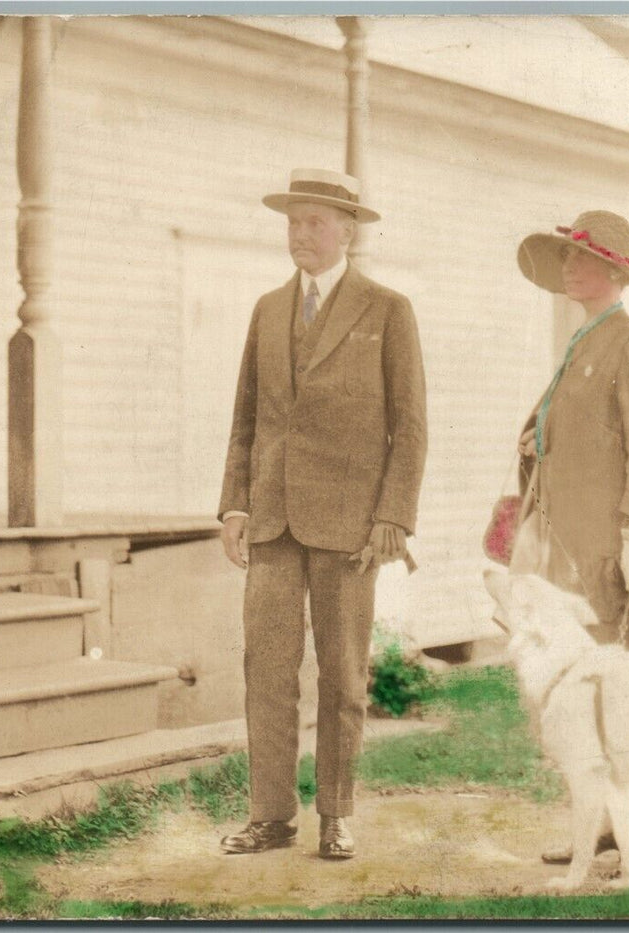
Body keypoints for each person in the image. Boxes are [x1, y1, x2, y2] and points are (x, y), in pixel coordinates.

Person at [217, 168, 427, 860]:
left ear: (348, 230)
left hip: (350, 527)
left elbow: (410, 426)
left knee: (342, 675)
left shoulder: (386, 309)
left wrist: (392, 517)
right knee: (267, 670)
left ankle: (336, 814)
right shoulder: (267, 308)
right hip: (272, 521)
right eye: (292, 221)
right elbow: (247, 416)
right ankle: (271, 815)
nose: (300, 234)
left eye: (314, 222)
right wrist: (235, 505)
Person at [511, 210, 629, 872]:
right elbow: (582, 431)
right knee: (591, 692)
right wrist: (540, 442)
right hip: (573, 546)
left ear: (613, 272)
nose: (569, 268)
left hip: (613, 546)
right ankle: (610, 822)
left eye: (581, 259)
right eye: (565, 258)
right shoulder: (585, 340)